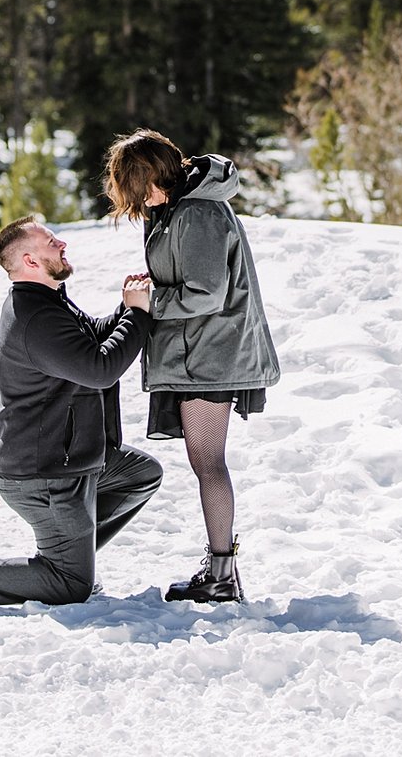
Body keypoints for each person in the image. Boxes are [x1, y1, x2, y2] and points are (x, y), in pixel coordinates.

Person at [0, 214, 162, 608]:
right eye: (52, 242)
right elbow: (100, 369)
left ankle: (72, 552)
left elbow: (90, 339)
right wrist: (137, 314)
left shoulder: (45, 301)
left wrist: (125, 307)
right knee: (70, 586)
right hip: (44, 473)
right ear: (30, 261)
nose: (62, 245)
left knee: (140, 475)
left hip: (71, 458)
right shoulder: (35, 318)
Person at [103, 128, 280, 604]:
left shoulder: (198, 211)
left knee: (208, 462)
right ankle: (221, 571)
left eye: (133, 188)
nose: (134, 201)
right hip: (196, 353)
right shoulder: (172, 210)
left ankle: (222, 574)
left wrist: (150, 299)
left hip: (212, 356)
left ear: (150, 178)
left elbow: (206, 292)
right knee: (205, 462)